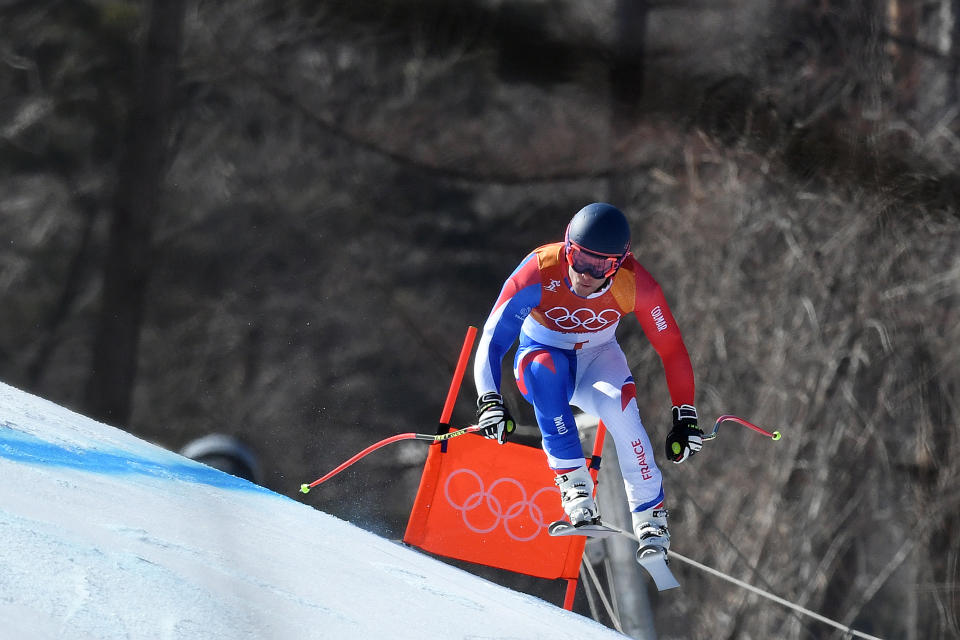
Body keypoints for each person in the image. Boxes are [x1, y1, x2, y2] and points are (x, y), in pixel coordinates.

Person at [473, 202, 702, 557]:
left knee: (621, 408)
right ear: (567, 249)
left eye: (601, 266)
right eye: (579, 259)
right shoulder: (539, 270)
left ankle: (650, 516)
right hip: (541, 352)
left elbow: (671, 348)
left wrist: (685, 414)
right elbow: (493, 338)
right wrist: (489, 400)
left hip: (597, 358)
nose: (586, 274)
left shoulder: (634, 283)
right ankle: (576, 487)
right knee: (545, 371)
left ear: (620, 263)